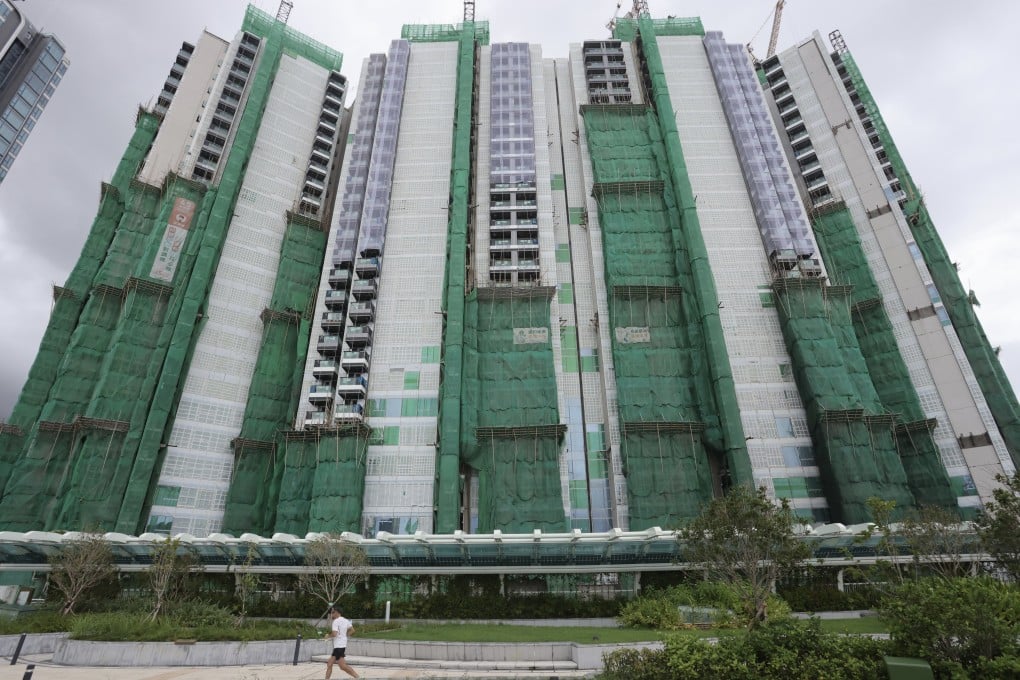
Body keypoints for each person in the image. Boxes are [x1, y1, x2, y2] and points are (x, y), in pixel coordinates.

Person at [324, 606, 358, 679]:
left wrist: (328, 636)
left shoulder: (336, 621)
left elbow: (334, 634)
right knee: (331, 664)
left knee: (342, 666)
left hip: (338, 646)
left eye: (333, 612)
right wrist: (344, 636)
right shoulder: (346, 620)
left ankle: (357, 677)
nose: (331, 614)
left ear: (337, 612)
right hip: (341, 645)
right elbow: (352, 630)